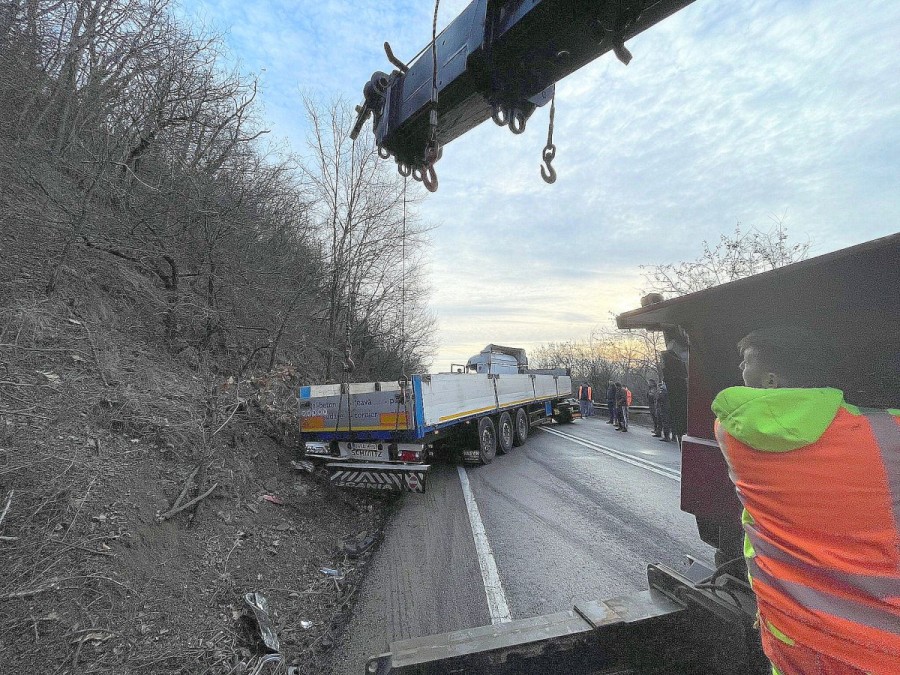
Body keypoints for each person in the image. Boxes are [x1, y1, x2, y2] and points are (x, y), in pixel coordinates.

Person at [712, 327, 900, 675]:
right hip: (882, 650)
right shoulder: (888, 432)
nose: (738, 367)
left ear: (770, 381)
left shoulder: (732, 435)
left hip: (794, 637)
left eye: (745, 361)